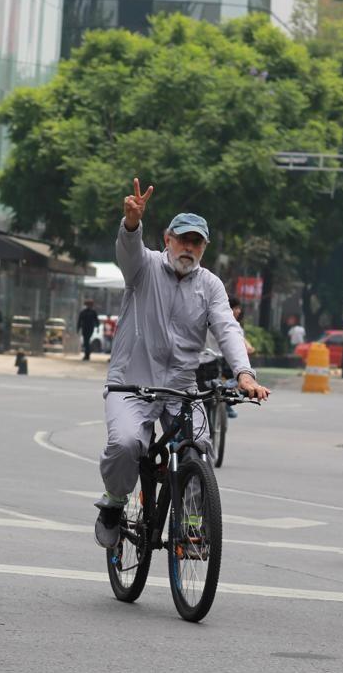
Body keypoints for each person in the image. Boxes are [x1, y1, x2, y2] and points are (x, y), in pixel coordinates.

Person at [94, 178, 270, 548]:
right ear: (167, 240)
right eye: (182, 239)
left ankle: (190, 523)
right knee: (127, 444)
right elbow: (127, 252)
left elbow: (227, 328)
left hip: (181, 388)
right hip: (131, 383)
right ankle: (113, 500)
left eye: (196, 242)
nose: (188, 248)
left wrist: (244, 374)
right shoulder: (144, 267)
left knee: (198, 449)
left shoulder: (211, 285)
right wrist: (131, 225)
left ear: (204, 247)